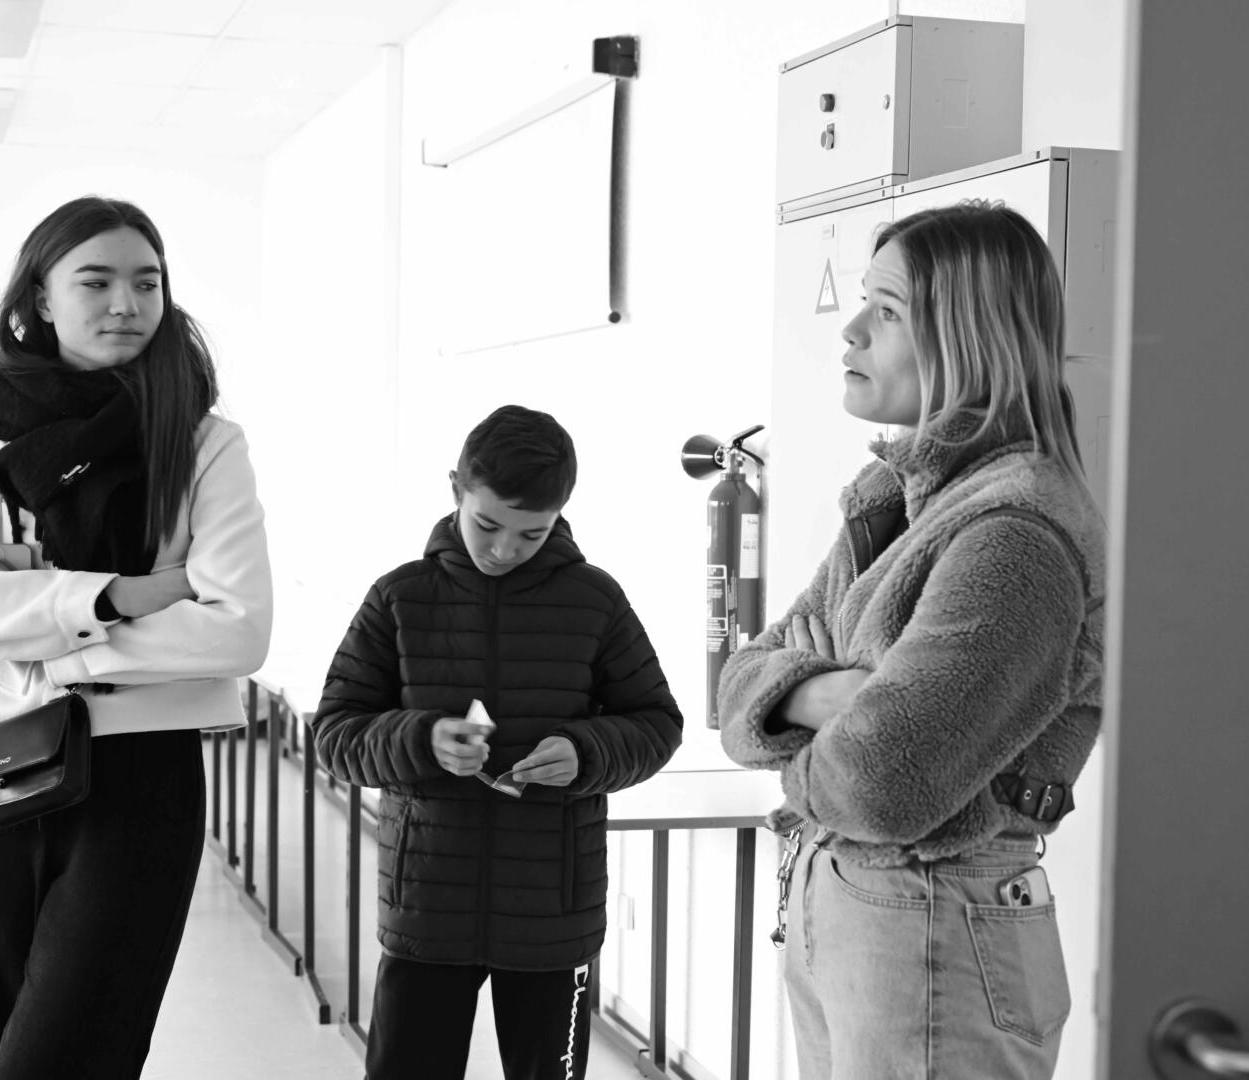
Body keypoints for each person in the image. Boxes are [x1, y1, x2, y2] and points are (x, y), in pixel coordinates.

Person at [719, 201, 1106, 1079]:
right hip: (867, 913)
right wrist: (827, 692)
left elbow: (883, 780)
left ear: (969, 339)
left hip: (933, 923)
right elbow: (738, 686)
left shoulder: (1015, 531)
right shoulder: (896, 503)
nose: (851, 330)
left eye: (887, 311)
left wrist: (797, 718)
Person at [0, 196, 273, 1080]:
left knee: (68, 1053)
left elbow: (237, 631)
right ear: (40, 298)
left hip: (140, 778)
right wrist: (119, 596)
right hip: (0, 760)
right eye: (96, 281)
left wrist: (43, 624)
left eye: (147, 283)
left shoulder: (204, 444)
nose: (126, 303)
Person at [312, 404, 683, 1080]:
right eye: (487, 524)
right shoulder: (399, 598)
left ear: (561, 514)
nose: (505, 550)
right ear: (456, 488)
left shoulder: (596, 602)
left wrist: (587, 753)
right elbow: (335, 735)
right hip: (428, 908)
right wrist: (422, 739)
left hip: (552, 917)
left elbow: (657, 723)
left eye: (531, 534)